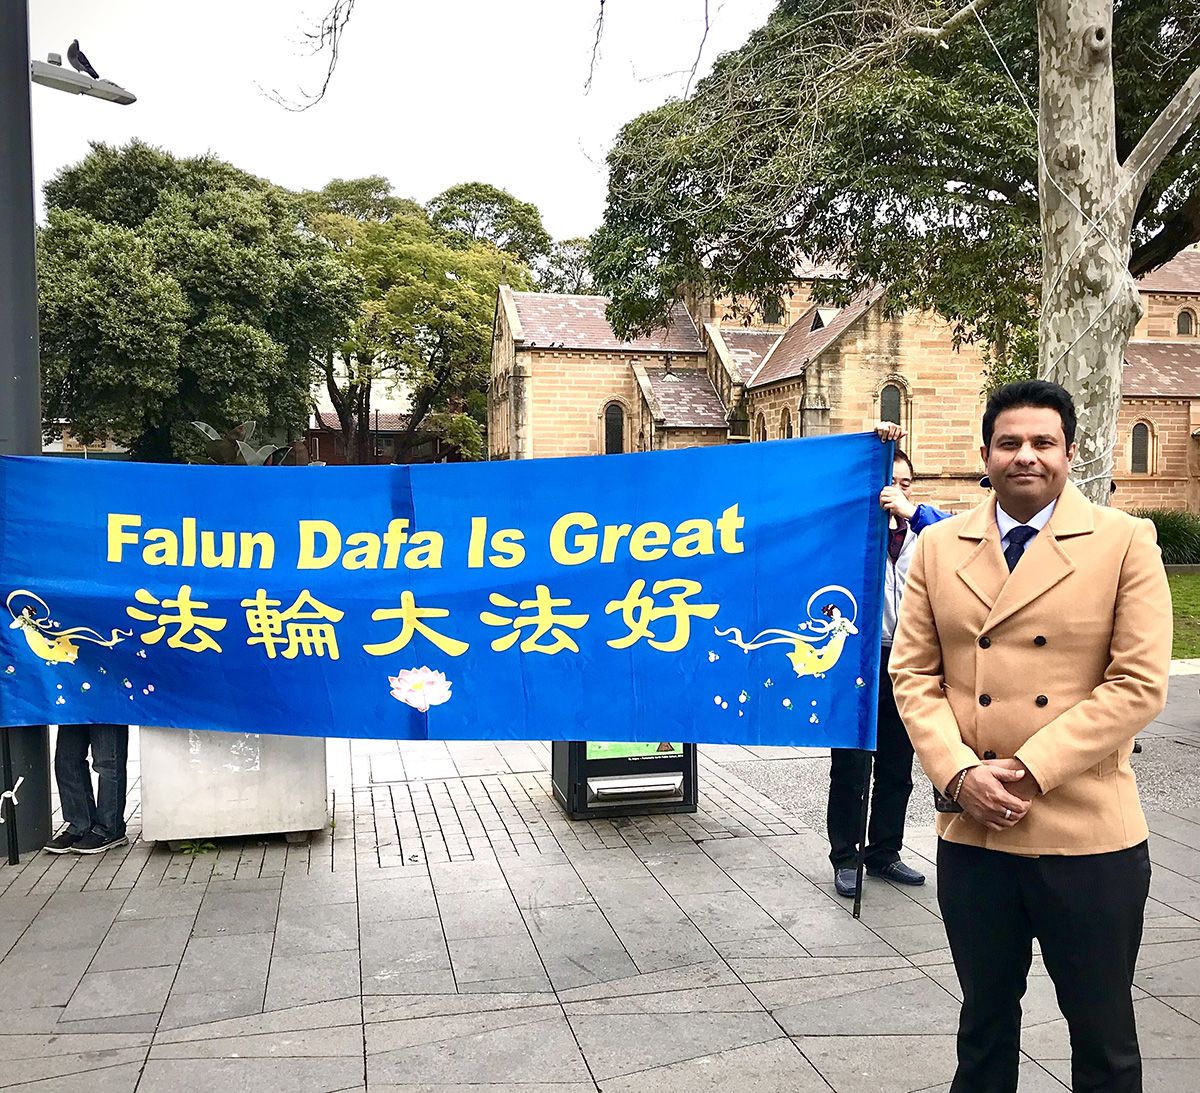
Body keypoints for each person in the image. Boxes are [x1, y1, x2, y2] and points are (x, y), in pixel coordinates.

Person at [890, 380, 1171, 1093]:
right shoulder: (937, 546)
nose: (1026, 455)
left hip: (1089, 837)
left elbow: (1138, 683)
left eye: (1043, 442)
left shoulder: (1124, 542)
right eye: (1009, 442)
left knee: (1103, 1037)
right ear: (985, 453)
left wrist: (1029, 768)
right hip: (974, 835)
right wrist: (958, 773)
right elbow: (914, 674)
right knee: (983, 1031)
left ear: (1071, 452)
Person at [828, 424, 951, 897]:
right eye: (889, 482)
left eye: (905, 483)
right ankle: (846, 856)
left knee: (898, 767)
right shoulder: (851, 534)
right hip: (859, 665)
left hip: (910, 664)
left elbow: (965, 539)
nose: (897, 490)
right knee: (852, 766)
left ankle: (885, 851)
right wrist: (875, 440)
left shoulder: (928, 533)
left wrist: (911, 513)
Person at [42, 723, 130, 854]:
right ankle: (81, 825)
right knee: (67, 761)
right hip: (74, 710)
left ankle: (110, 829)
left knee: (107, 762)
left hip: (108, 711)